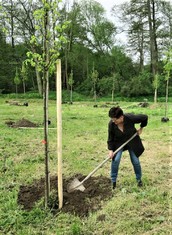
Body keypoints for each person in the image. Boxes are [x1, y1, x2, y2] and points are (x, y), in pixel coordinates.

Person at [107, 106, 148, 189]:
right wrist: (111, 150)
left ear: (121, 117)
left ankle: (139, 180)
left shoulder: (130, 118)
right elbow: (110, 138)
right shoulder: (111, 124)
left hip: (132, 141)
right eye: (112, 119)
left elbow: (145, 117)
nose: (113, 121)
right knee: (116, 160)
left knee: (135, 161)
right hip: (118, 143)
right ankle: (113, 181)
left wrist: (141, 128)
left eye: (115, 120)